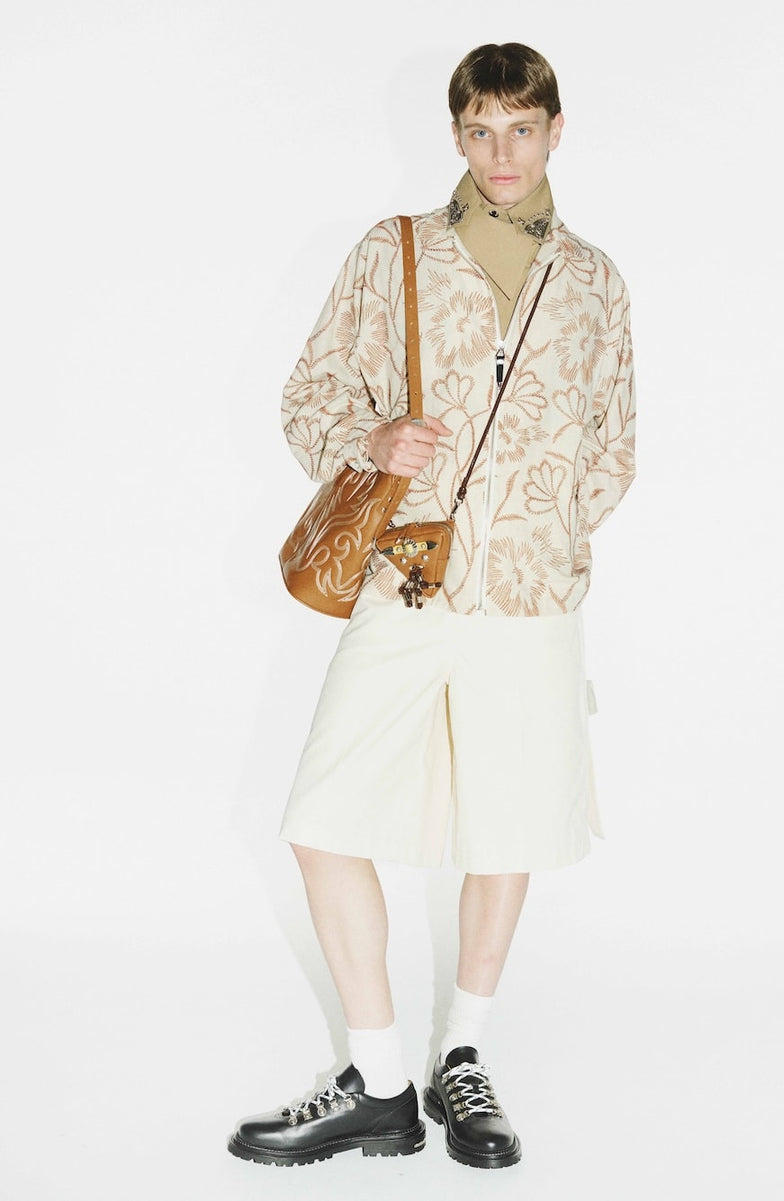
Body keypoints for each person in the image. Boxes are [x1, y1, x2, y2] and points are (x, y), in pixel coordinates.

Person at [228, 42, 635, 1172]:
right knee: (322, 820)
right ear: (456, 134)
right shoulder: (394, 250)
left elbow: (616, 442)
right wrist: (371, 438)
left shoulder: (596, 280)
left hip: (531, 598)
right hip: (407, 577)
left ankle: (463, 1056)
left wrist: (544, 534)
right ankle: (379, 1082)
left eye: (522, 128)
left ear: (556, 131)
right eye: (481, 129)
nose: (503, 152)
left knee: (510, 826)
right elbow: (308, 392)